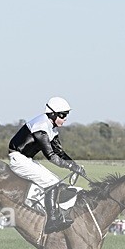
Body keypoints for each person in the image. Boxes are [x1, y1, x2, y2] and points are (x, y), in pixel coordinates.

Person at [8, 96, 87, 233]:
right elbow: (52, 156)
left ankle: (54, 214)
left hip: (26, 159)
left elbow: (60, 153)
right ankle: (52, 220)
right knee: (52, 183)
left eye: (66, 115)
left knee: (56, 181)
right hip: (18, 159)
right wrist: (70, 166)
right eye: (62, 115)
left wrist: (75, 165)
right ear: (52, 114)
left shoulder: (51, 128)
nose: (65, 118)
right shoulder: (41, 127)